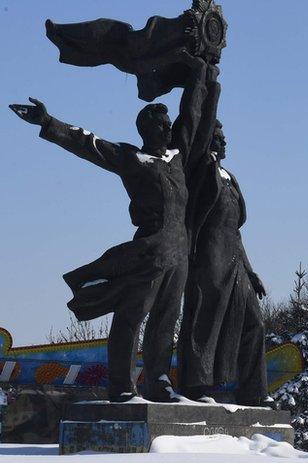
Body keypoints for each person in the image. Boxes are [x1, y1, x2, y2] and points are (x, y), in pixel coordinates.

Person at [9, 50, 219, 403]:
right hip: (149, 251)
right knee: (132, 315)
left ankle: (160, 381)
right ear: (145, 131)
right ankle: (122, 384)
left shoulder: (178, 158)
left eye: (167, 126)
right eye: (159, 126)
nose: (166, 130)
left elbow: (193, 115)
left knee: (166, 320)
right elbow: (88, 143)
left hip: (179, 253)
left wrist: (200, 76)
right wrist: (49, 122)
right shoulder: (131, 159)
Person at [178, 120, 270, 406]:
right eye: (218, 137)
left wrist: (251, 271)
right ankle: (196, 387)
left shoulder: (229, 176)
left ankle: (254, 391)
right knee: (204, 322)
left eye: (224, 137)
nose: (224, 142)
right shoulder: (200, 172)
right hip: (207, 259)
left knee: (255, 324)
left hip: (235, 260)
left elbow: (235, 229)